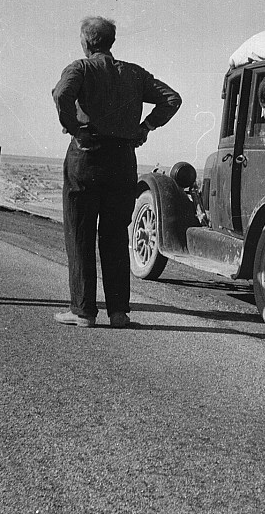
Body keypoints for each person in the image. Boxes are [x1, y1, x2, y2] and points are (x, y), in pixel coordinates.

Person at [52, 16, 181, 328]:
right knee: (113, 236)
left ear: (85, 42)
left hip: (85, 157)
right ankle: (118, 312)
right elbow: (172, 98)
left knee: (80, 234)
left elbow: (60, 95)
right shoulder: (134, 73)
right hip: (123, 160)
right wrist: (147, 126)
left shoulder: (80, 68)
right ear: (111, 42)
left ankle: (83, 311)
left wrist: (73, 126)